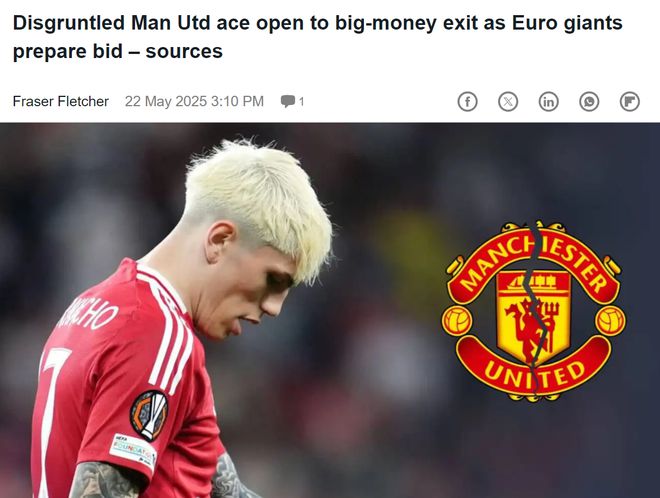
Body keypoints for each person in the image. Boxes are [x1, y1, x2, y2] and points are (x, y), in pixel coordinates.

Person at [30, 140, 333, 498]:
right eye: (274, 279)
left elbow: (222, 487)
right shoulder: (155, 334)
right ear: (220, 240)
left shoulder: (96, 305)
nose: (274, 308)